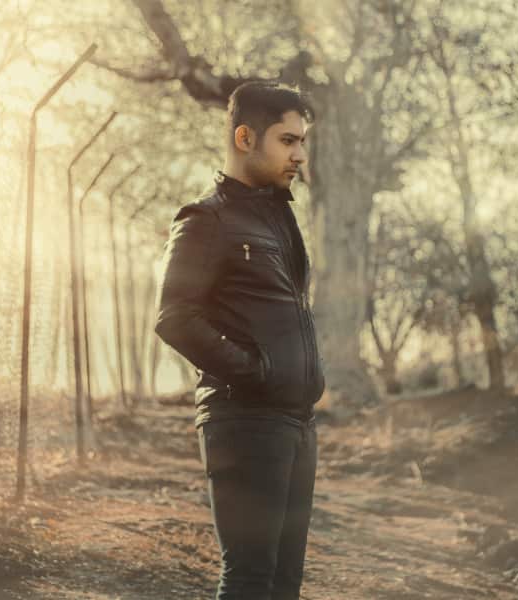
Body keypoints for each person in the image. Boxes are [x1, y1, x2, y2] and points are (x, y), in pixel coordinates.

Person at [154, 80, 325, 600]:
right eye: (287, 141)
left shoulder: (278, 217)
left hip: (296, 423)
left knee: (282, 585)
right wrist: (256, 372)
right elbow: (174, 317)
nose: (299, 154)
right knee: (250, 582)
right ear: (246, 137)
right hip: (245, 422)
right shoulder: (207, 220)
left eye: (302, 141)